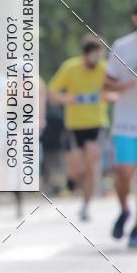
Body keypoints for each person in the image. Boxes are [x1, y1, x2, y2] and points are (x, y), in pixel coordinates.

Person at [48, 35, 109, 221]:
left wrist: (111, 96)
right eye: (93, 54)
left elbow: (116, 89)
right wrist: (68, 99)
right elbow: (52, 91)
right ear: (85, 55)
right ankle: (73, 181)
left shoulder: (105, 69)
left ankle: (86, 204)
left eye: (99, 54)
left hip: (97, 124)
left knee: (91, 164)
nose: (96, 58)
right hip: (74, 126)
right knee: (77, 168)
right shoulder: (70, 67)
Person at [104, 5, 137, 246]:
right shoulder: (122, 46)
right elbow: (107, 85)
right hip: (126, 122)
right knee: (123, 173)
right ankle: (125, 210)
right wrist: (126, 87)